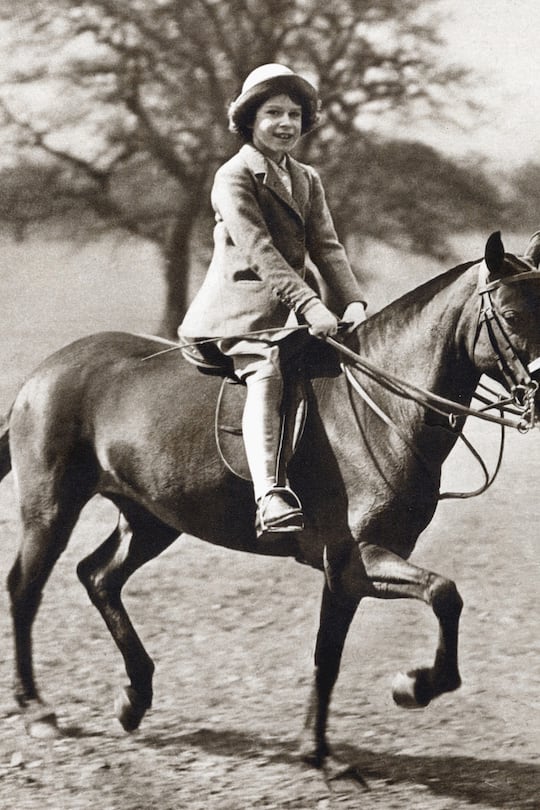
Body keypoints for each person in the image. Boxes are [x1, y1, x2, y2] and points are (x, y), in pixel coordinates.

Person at [179, 63, 367, 536]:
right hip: (238, 315)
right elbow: (260, 251)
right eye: (273, 113)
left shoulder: (306, 177)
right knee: (266, 371)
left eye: (295, 115)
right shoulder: (233, 175)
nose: (286, 124)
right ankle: (269, 494)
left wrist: (352, 302)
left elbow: (327, 246)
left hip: (297, 311)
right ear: (249, 120)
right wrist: (310, 305)